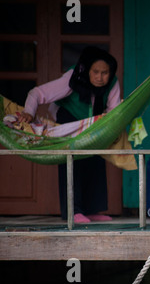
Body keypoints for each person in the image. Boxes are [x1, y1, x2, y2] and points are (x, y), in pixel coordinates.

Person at [19, 46, 121, 223]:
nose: (100, 77)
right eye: (95, 72)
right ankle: (72, 212)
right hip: (68, 119)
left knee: (95, 159)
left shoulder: (112, 82)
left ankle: (90, 211)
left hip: (93, 124)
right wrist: (28, 112)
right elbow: (37, 93)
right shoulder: (72, 77)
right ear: (86, 70)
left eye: (105, 73)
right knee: (72, 161)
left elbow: (114, 111)